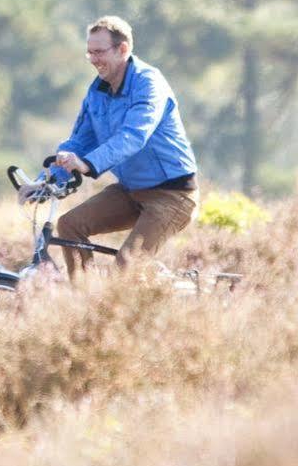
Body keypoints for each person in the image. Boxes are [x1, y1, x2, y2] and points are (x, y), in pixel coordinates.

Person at [35, 15, 200, 280]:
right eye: (89, 53)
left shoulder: (149, 84)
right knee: (69, 225)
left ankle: (118, 310)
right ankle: (84, 302)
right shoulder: (97, 91)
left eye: (99, 52)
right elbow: (79, 140)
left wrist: (87, 164)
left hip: (172, 196)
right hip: (130, 191)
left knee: (125, 268)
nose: (94, 60)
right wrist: (46, 181)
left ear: (123, 49)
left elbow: (134, 136)